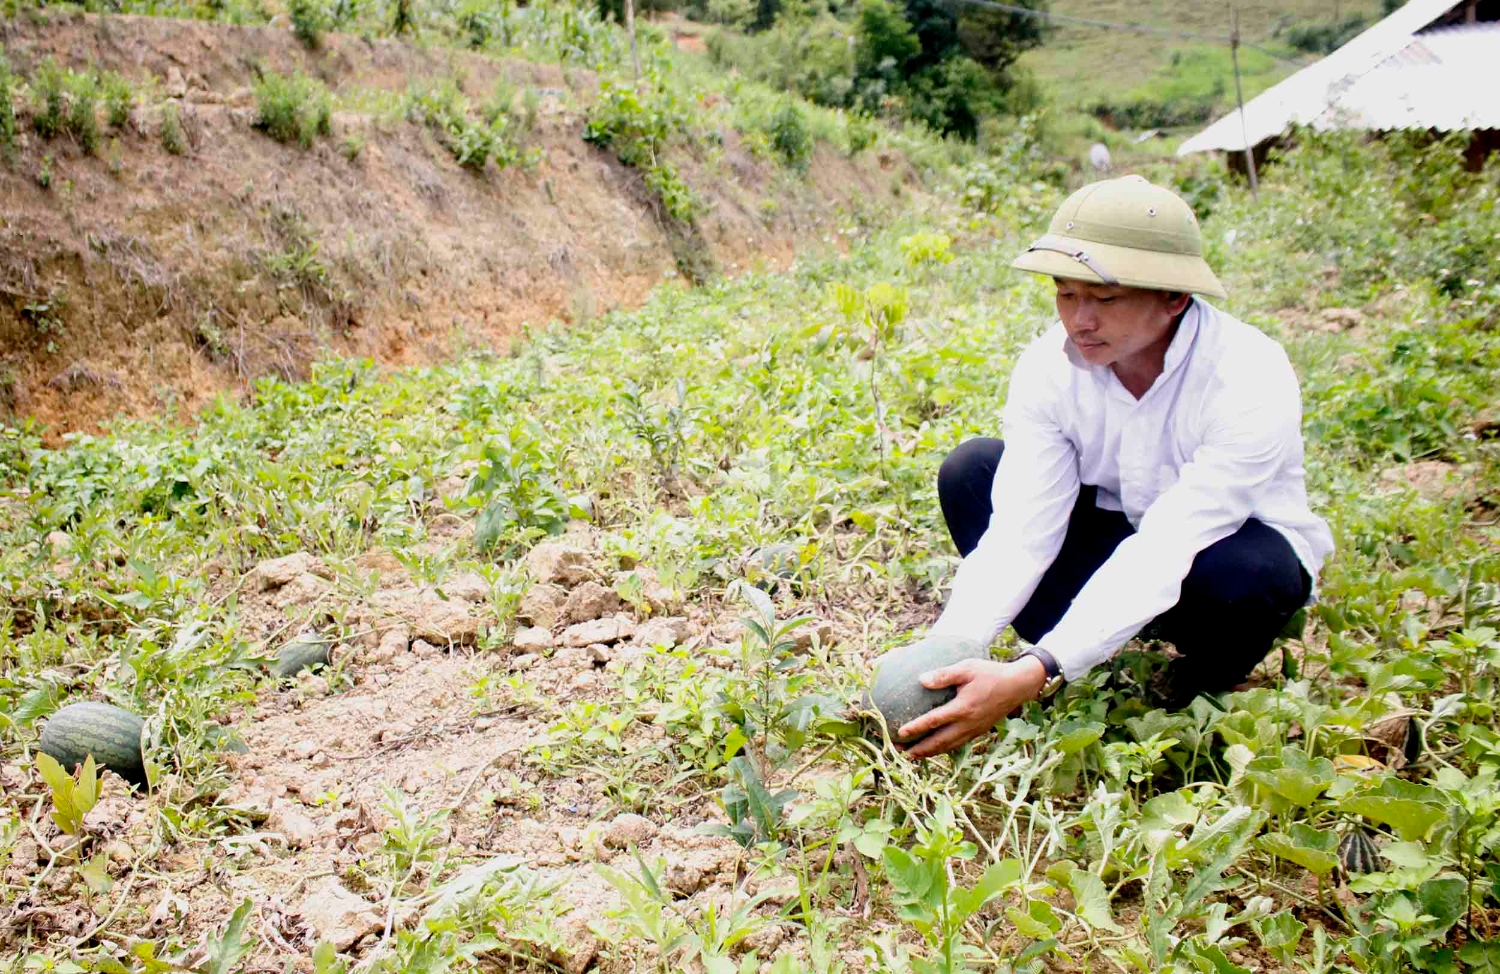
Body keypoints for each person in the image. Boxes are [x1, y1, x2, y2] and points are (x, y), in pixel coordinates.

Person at [897, 175, 1334, 760]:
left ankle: (1201, 675)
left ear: (1173, 298)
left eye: (1103, 299)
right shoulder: (1048, 368)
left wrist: (1037, 671)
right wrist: (945, 649)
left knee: (1254, 574)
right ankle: (1084, 645)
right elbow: (1022, 534)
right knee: (973, 472)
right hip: (1119, 533)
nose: (1080, 321)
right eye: (1065, 294)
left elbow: (1167, 545)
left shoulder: (1248, 375)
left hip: (1212, 558)